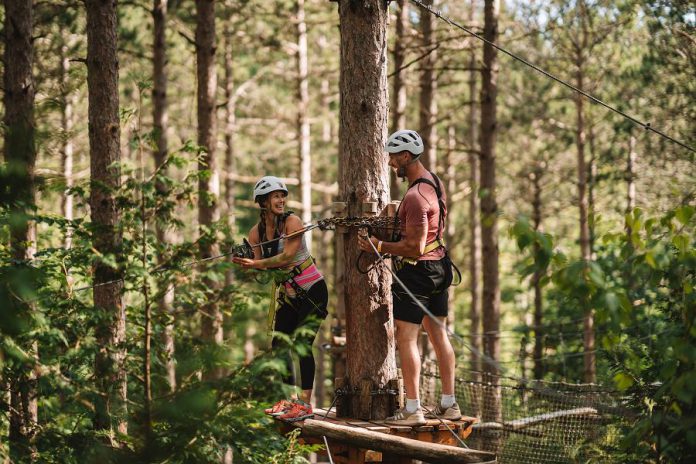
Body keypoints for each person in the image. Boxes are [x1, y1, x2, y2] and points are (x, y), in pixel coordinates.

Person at [358, 129, 460, 426]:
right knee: (438, 334)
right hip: (440, 266)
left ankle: (413, 408)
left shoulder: (415, 196)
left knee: (407, 337)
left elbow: (414, 247)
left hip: (419, 272)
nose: (390, 162)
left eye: (393, 156)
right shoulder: (434, 183)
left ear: (405, 156)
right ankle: (449, 403)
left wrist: (380, 246)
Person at [233, 176, 328, 422]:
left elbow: (286, 258)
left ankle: (304, 403)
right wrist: (246, 264)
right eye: (275, 196)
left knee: (303, 345)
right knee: (279, 347)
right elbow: (261, 272)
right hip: (289, 296)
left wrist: (255, 263)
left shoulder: (292, 222)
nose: (281, 200)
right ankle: (287, 399)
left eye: (282, 196)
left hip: (313, 289)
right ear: (263, 202)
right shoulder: (257, 233)